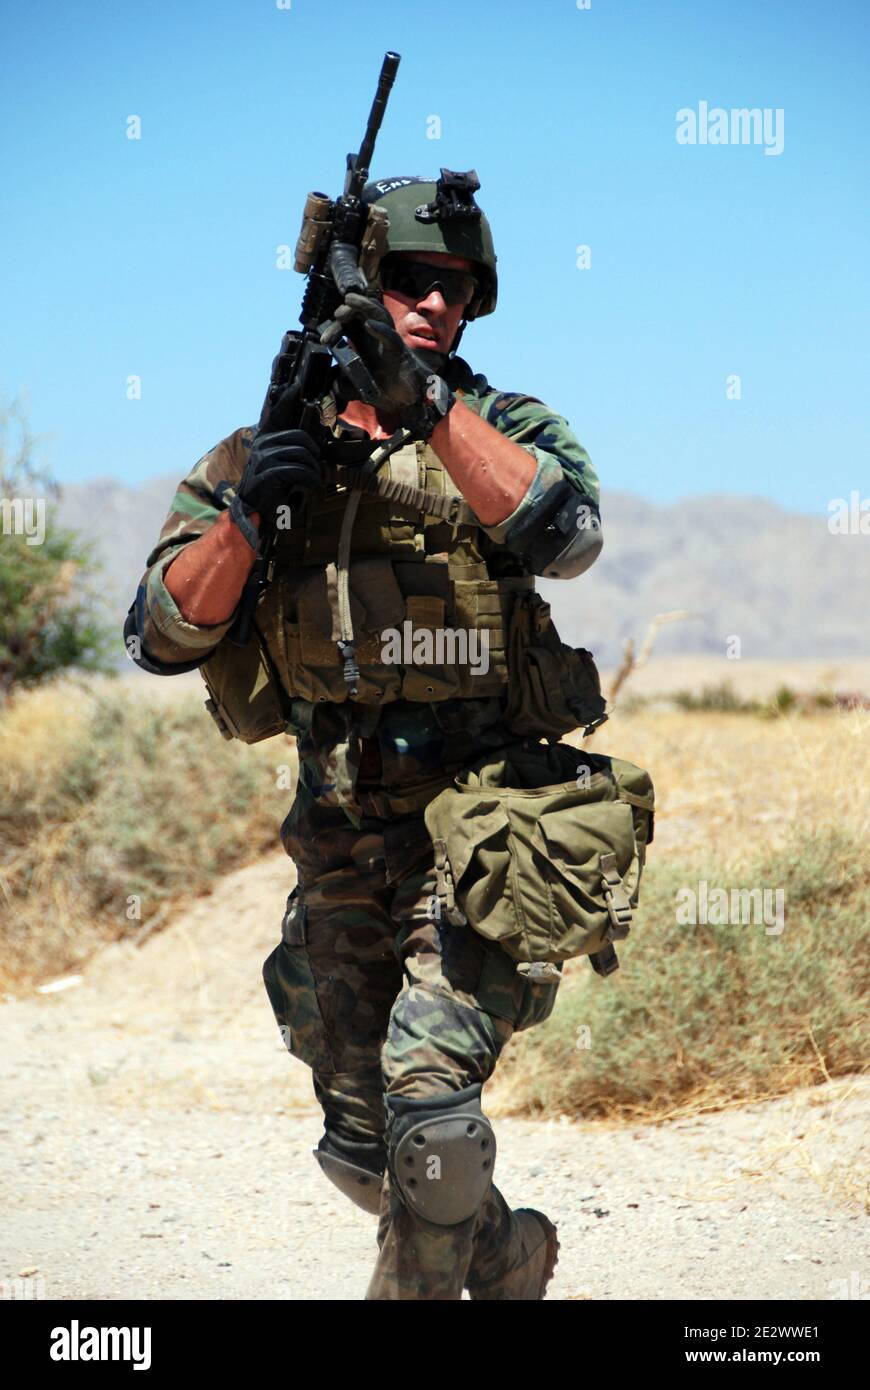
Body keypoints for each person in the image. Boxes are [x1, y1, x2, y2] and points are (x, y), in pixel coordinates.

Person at [125, 172, 604, 1300]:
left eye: (458, 287)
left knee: (431, 1122)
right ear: (358, 286)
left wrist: (429, 405)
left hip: (490, 832)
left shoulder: (505, 428)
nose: (437, 304)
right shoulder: (260, 453)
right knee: (365, 1153)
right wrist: (250, 521)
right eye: (409, 282)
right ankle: (504, 1253)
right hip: (340, 845)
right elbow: (159, 635)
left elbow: (568, 534)